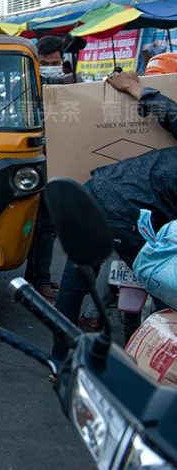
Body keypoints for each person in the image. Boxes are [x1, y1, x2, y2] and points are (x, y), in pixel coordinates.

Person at [49, 68, 177, 361]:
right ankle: (161, 367)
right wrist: (136, 89)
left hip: (94, 190)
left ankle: (59, 361)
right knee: (166, 288)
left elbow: (171, 114)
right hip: (126, 208)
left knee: (76, 279)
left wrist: (137, 89)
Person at [26, 35, 75, 305]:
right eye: (44, 63)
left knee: (48, 222)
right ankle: (37, 277)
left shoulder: (70, 85)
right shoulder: (24, 85)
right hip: (28, 159)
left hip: (56, 159)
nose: (50, 67)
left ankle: (40, 277)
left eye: (54, 62)